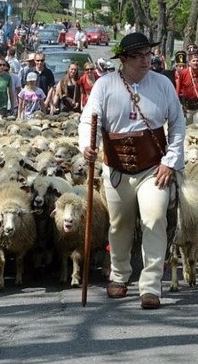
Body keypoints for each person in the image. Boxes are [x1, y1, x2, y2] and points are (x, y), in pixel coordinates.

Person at [79, 32, 185, 310]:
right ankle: (119, 274)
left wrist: (170, 161)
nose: (146, 60)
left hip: (153, 168)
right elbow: (88, 120)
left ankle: (150, 285)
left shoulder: (162, 85)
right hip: (116, 168)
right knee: (119, 224)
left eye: (148, 55)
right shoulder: (105, 85)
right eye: (138, 56)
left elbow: (177, 125)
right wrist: (87, 147)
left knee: (154, 217)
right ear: (123, 59)